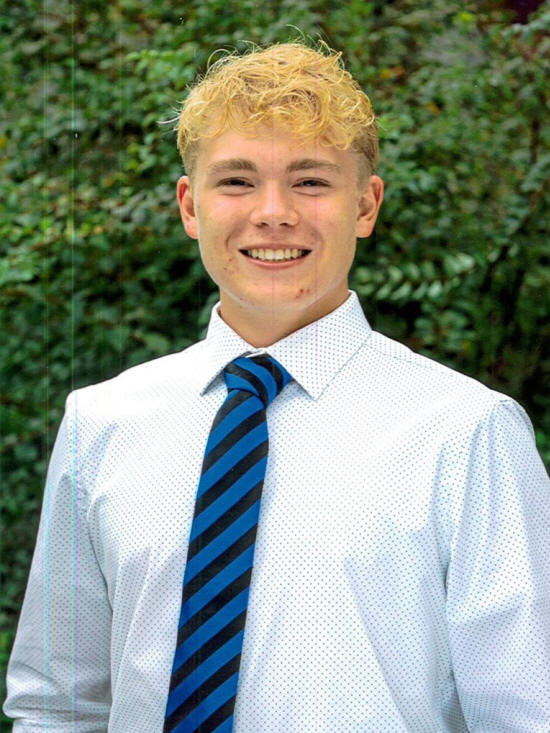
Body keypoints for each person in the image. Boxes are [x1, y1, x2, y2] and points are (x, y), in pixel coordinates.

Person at [4, 40, 550, 733]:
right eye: (236, 181)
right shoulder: (100, 424)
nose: (273, 212)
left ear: (366, 205)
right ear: (190, 206)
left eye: (311, 181)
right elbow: (57, 706)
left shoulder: (466, 433)